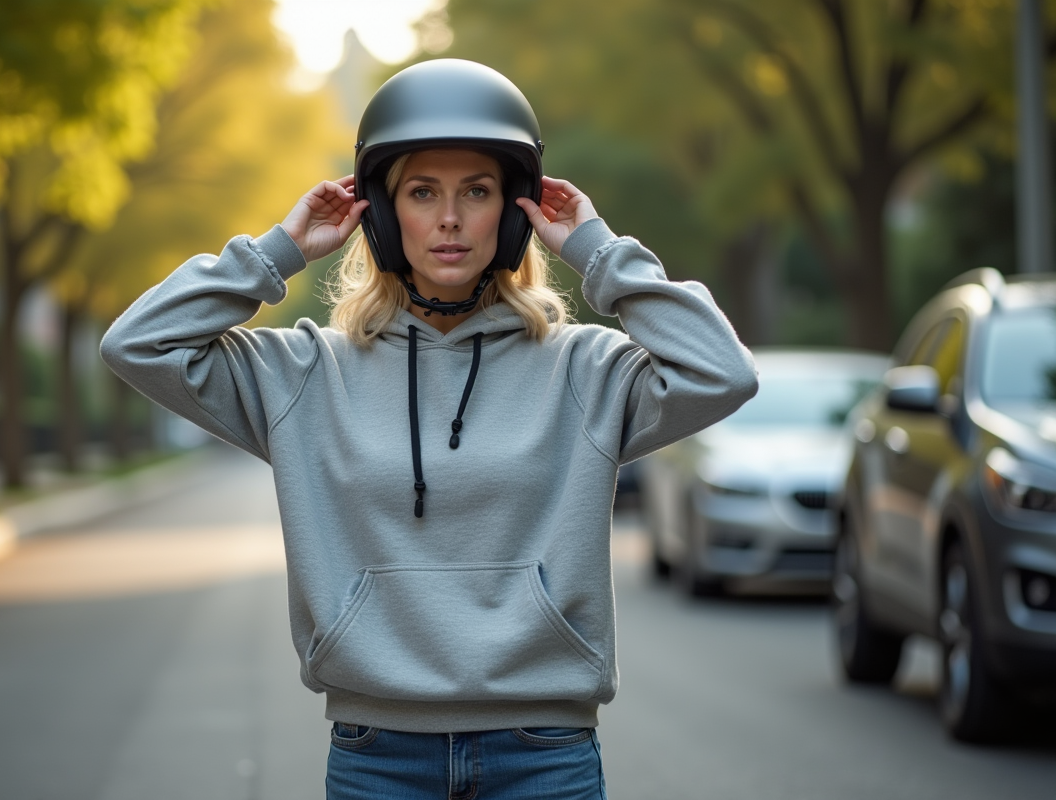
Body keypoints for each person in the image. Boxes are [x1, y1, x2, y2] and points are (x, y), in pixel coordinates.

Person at [101, 59, 758, 799]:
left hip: (544, 751)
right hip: (377, 755)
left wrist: (598, 251)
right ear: (382, 218)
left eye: (477, 192)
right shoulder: (305, 373)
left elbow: (723, 372)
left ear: (514, 215)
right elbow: (137, 344)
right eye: (421, 193)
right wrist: (278, 251)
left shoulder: (583, 369)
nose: (450, 219)